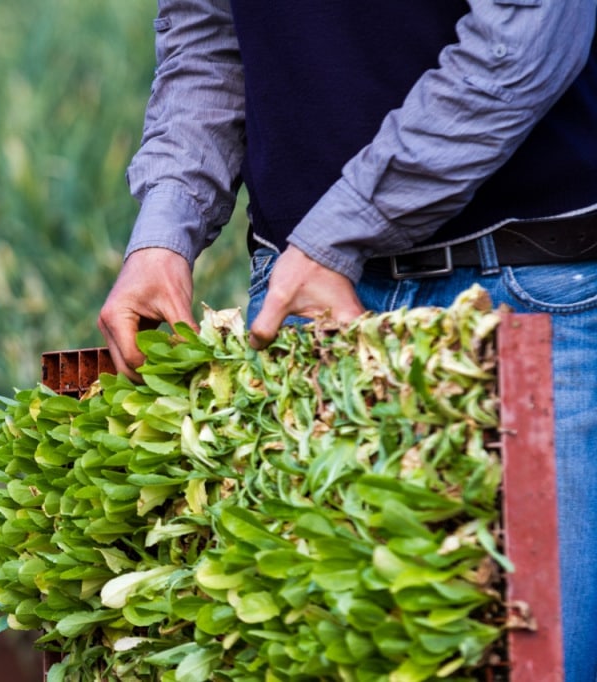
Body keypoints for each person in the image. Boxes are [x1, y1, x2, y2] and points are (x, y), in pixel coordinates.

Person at [97, 1, 597, 678]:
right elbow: (210, 33)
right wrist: (165, 228)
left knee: (545, 660)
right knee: (303, 655)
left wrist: (342, 228)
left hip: (524, 291)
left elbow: (526, 38)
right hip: (302, 295)